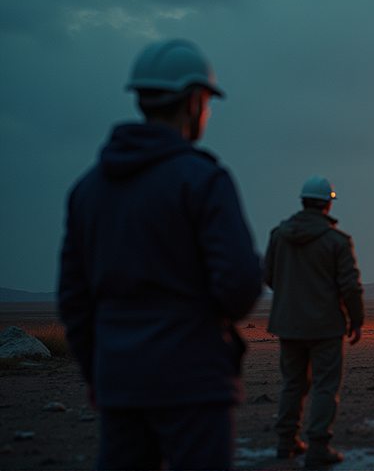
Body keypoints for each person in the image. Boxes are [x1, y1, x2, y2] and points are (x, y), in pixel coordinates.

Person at [58, 39, 262, 469]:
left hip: (119, 381)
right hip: (194, 382)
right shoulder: (203, 181)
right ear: (193, 101)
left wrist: (97, 370)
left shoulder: (87, 191)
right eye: (206, 102)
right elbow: (242, 283)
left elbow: (73, 300)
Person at [264, 175, 364, 466]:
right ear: (328, 205)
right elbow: (350, 286)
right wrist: (356, 320)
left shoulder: (278, 235)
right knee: (324, 386)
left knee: (292, 384)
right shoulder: (337, 241)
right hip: (326, 327)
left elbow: (269, 275)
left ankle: (286, 442)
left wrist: (292, 299)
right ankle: (319, 446)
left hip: (288, 324)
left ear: (303, 201)